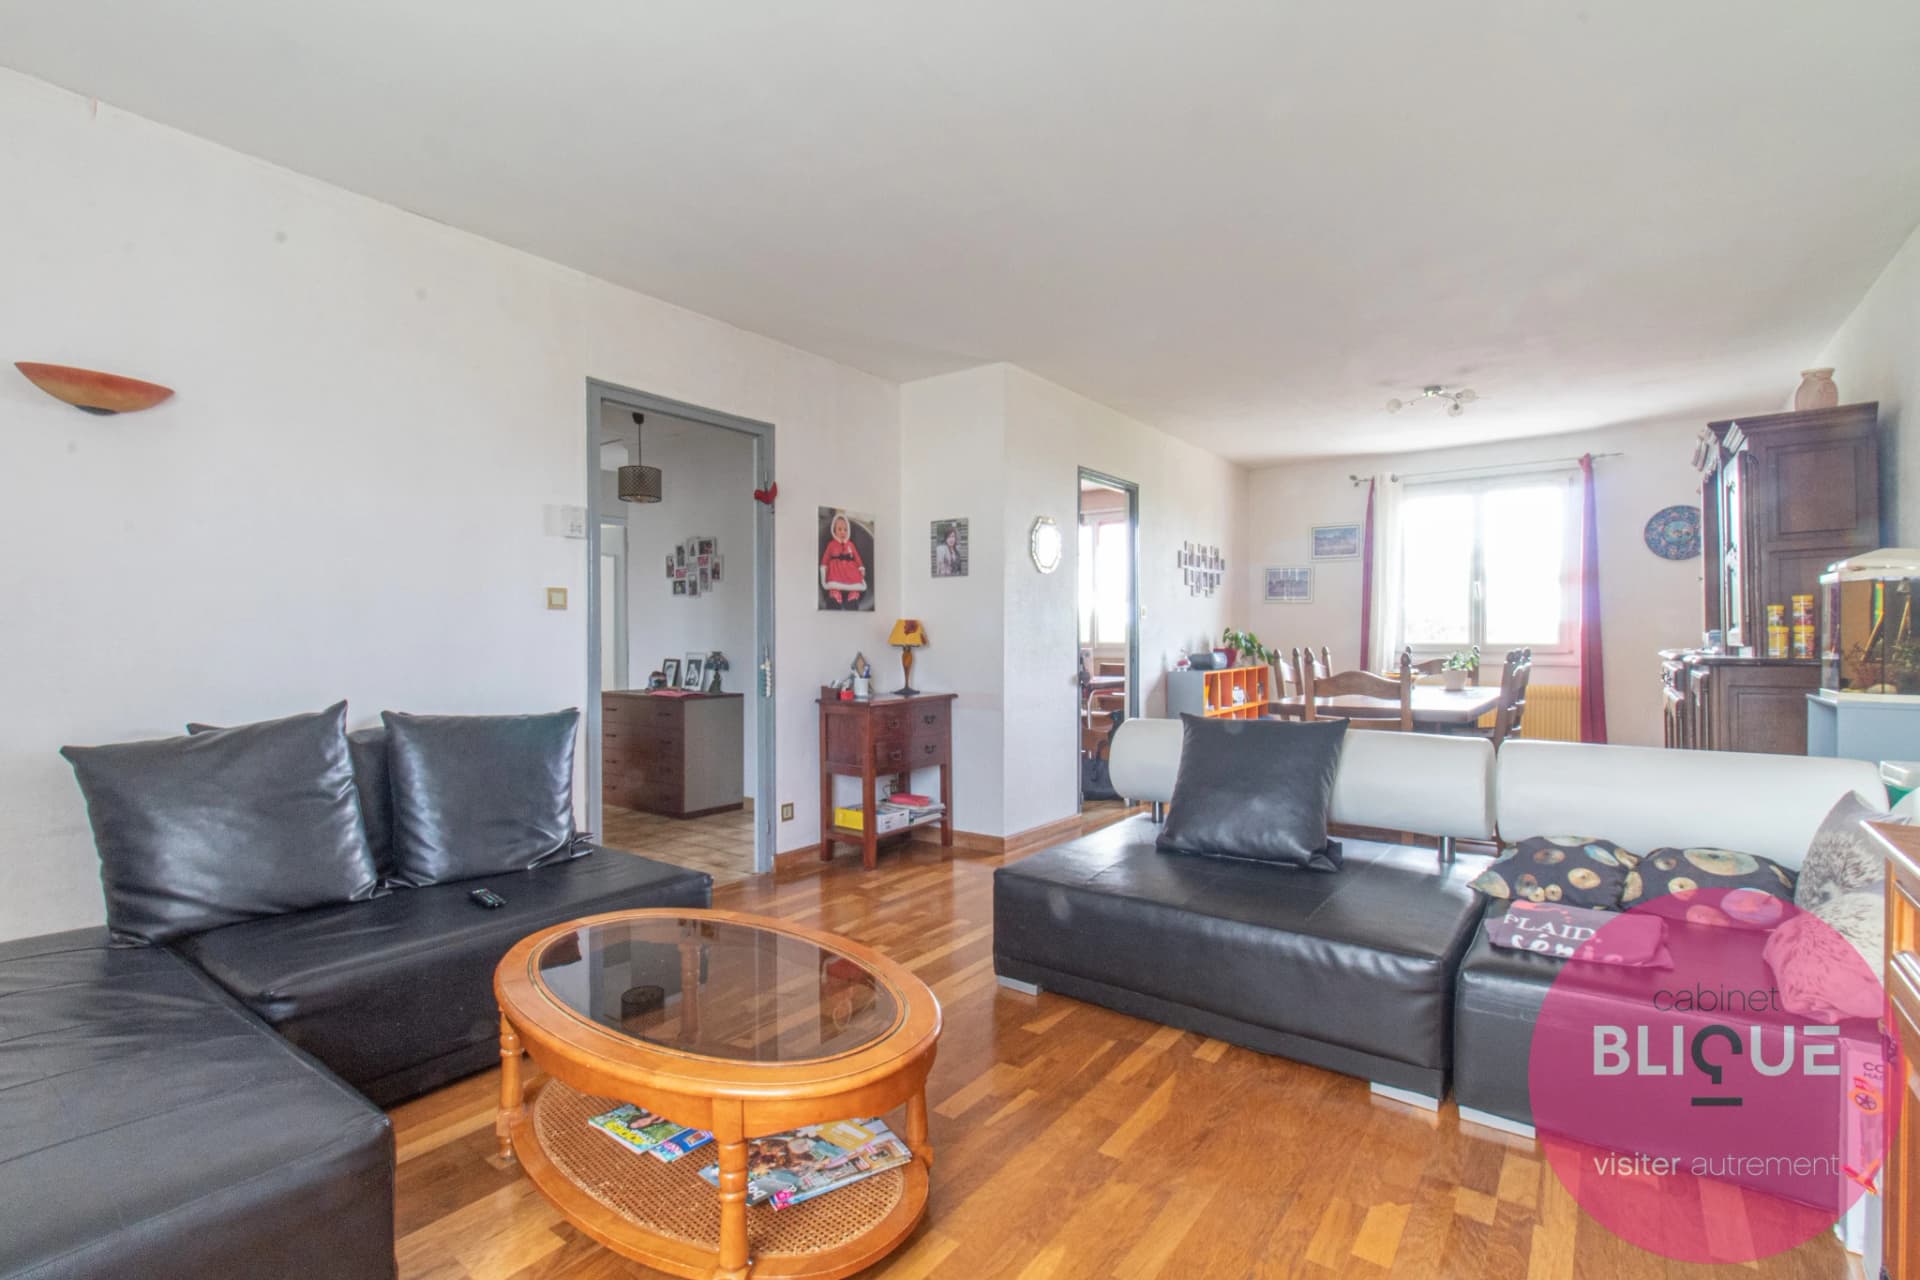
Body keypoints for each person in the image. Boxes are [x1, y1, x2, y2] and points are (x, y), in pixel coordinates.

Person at [820, 511, 867, 606]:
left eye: (845, 530)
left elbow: (857, 557)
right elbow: (826, 557)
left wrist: (861, 567)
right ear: (834, 531)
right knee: (834, 585)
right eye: (840, 529)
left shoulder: (851, 545)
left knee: (855, 584)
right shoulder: (831, 544)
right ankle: (835, 597)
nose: (843, 532)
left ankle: (853, 598)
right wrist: (824, 568)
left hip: (850, 570)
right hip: (836, 571)